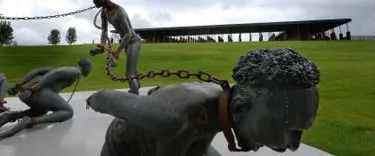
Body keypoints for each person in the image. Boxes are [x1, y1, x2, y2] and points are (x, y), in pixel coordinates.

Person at [86, 48, 320, 156]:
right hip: (127, 149)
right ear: (239, 109)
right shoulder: (176, 118)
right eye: (288, 128)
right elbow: (109, 98)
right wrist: (94, 99)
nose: (294, 145)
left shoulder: (221, 105)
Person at [0, 58, 92, 140]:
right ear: (86, 67)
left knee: (42, 112)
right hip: (37, 92)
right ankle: (30, 121)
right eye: (90, 68)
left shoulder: (66, 69)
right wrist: (35, 88)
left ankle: (10, 116)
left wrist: (18, 86)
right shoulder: (76, 71)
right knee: (68, 112)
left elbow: (37, 71)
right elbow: (56, 73)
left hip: (34, 94)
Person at [90, 0, 142, 95]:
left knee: (129, 73)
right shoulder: (104, 12)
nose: (94, 2)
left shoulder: (119, 12)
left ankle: (135, 96)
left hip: (133, 41)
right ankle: (137, 85)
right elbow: (104, 30)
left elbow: (128, 34)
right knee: (132, 67)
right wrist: (101, 47)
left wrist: (117, 51)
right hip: (126, 42)